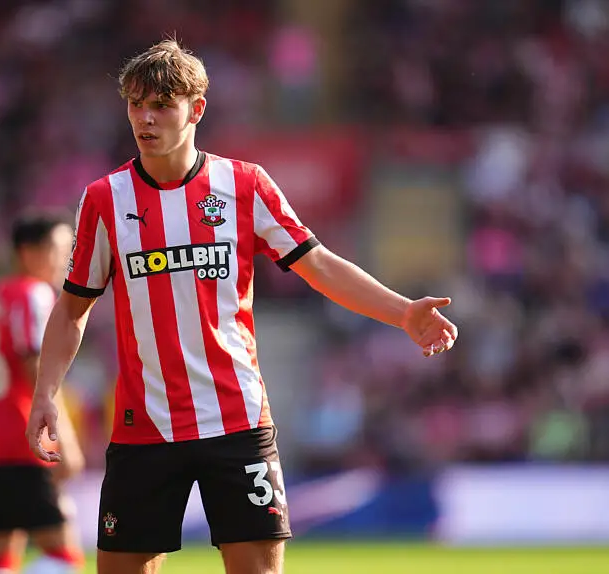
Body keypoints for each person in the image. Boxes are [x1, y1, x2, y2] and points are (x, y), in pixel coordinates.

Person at [25, 39, 458, 574]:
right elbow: (72, 309)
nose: (145, 117)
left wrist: (403, 312)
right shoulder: (103, 200)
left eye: (161, 103)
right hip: (144, 428)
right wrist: (45, 391)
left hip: (236, 421)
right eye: (136, 104)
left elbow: (317, 264)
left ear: (196, 108)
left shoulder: (243, 185)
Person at [0, 213, 86, 574]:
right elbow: (35, 367)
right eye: (58, 250)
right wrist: (63, 438)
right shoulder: (33, 293)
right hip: (25, 440)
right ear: (27, 252)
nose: (65, 260)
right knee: (65, 560)